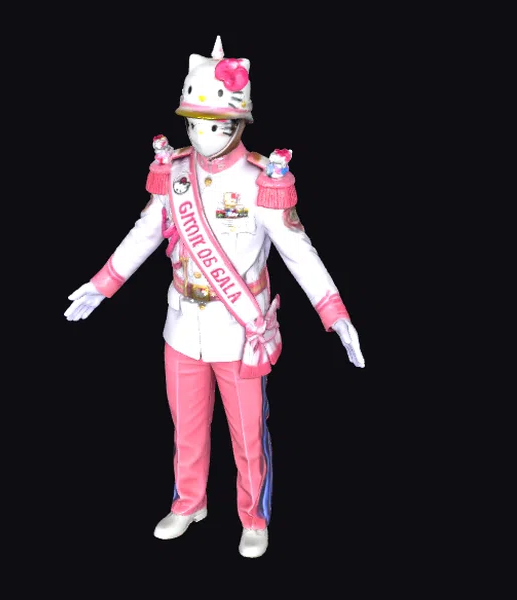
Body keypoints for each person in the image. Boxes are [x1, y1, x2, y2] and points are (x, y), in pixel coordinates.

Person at [64, 35, 365, 558]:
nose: (203, 134)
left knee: (248, 435)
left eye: (217, 123)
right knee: (186, 427)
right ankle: (188, 502)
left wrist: (334, 312)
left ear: (239, 123)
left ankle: (253, 516)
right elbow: (145, 233)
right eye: (195, 122)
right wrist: (102, 284)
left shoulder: (262, 181)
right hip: (181, 324)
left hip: (240, 331)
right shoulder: (174, 173)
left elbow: (298, 251)